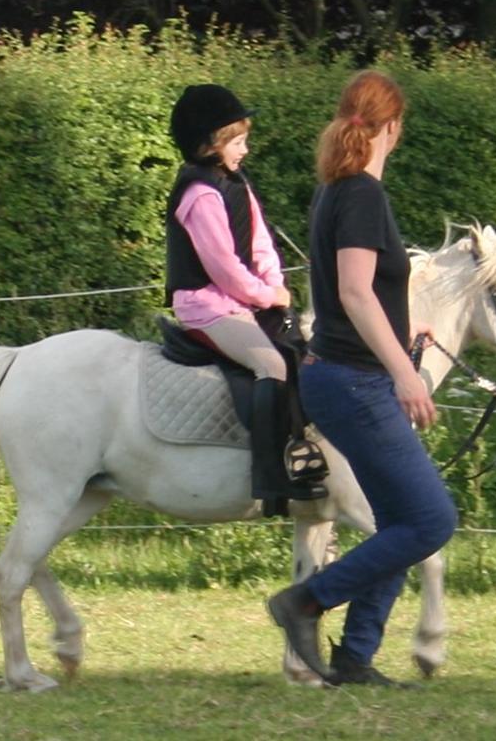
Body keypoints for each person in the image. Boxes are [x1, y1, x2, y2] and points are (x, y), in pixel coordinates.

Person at [267, 70, 458, 687]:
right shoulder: (362, 194)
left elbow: (362, 292)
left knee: (399, 519)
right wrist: (406, 372)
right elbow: (352, 290)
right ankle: (303, 602)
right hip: (356, 382)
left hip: (349, 373)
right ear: (393, 127)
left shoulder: (335, 190)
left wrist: (402, 341)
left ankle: (354, 657)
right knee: (431, 521)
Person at [165, 83, 327, 507]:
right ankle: (271, 478)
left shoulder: (237, 182)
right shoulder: (198, 194)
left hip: (243, 300)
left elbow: (260, 243)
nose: (245, 149)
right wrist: (265, 296)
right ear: (210, 144)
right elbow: (223, 267)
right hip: (206, 306)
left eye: (244, 139)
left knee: (301, 352)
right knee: (271, 364)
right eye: (237, 141)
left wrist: (276, 285)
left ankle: (304, 449)